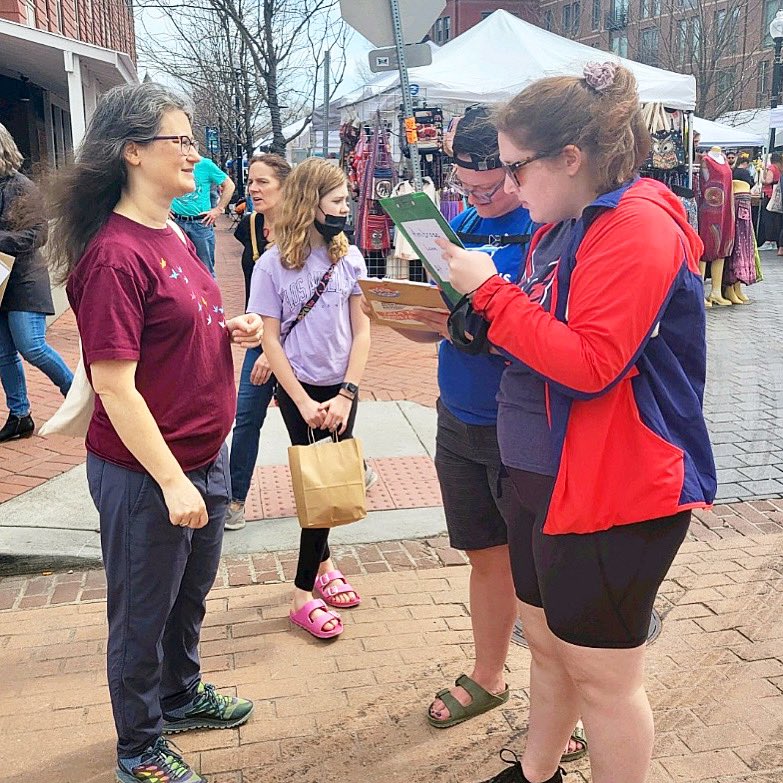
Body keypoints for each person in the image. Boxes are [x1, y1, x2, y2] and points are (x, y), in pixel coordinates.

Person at [439, 63, 716, 783]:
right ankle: (538, 772)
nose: (504, 185)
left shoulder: (636, 228)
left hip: (612, 489)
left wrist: (493, 298)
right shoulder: (559, 225)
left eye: (514, 168)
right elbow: (537, 333)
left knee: (604, 680)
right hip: (540, 474)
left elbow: (592, 363)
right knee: (550, 648)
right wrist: (478, 316)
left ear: (570, 157)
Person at [47, 83, 262, 783]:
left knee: (185, 601)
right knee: (141, 616)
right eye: (182, 141)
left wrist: (233, 328)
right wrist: (170, 478)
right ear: (133, 151)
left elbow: (173, 326)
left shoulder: (171, 229)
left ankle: (178, 695)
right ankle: (138, 744)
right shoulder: (114, 254)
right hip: (148, 474)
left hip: (205, 455)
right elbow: (113, 383)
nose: (194, 156)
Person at [378, 106, 585, 763]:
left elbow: (552, 334)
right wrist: (401, 313)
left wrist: (479, 320)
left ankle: (564, 708)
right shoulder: (456, 230)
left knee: (543, 577)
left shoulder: (548, 226)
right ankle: (490, 676)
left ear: (516, 166)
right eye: (466, 189)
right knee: (484, 556)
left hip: (522, 426)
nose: (480, 201)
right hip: (459, 418)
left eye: (491, 186)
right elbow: (440, 325)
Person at [250, 157, 371, 640]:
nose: (346, 208)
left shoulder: (351, 259)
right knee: (319, 492)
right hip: (299, 391)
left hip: (341, 391)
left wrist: (347, 393)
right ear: (310, 202)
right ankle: (303, 593)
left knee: (331, 483)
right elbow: (270, 340)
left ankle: (323, 567)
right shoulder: (271, 265)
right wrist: (300, 401)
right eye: (338, 200)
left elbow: (362, 332)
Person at [224, 153, 292, 531]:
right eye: (250, 181)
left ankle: (350, 466)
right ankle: (235, 500)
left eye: (262, 182)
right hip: (260, 338)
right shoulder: (248, 226)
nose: (252, 189)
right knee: (247, 416)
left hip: (296, 340)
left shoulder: (305, 230)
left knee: (309, 414)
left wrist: (274, 349)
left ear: (284, 185)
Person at [0, 123, 73, 442]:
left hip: (24, 281)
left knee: (32, 346)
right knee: (2, 354)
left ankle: (81, 401)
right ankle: (19, 416)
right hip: (2, 283)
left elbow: (38, 234)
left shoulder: (20, 187)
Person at [170, 152, 235, 277]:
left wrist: (218, 209)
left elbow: (229, 185)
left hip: (201, 223)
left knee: (205, 269)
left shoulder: (205, 165)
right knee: (177, 268)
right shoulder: (171, 162)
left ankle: (209, 295)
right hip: (176, 221)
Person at [761, 151, 782, 250]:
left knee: (768, 218)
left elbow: (768, 180)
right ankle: (776, 240)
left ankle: (769, 240)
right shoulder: (780, 169)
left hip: (769, 194)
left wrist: (762, 179)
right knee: (777, 220)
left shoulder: (771, 168)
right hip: (778, 195)